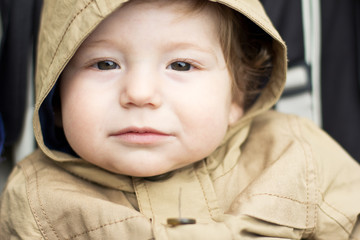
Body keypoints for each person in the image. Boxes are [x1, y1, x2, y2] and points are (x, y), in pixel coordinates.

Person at [1, 0, 360, 239]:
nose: (140, 94)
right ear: (57, 96)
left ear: (237, 95)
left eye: (181, 65)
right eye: (105, 64)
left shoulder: (299, 157)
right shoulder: (35, 198)